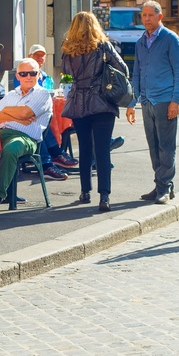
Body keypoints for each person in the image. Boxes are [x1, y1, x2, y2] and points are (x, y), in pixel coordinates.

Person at [61, 11, 128, 212]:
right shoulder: (103, 46)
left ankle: (85, 192)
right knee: (102, 151)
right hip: (102, 102)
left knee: (85, 149)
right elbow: (123, 68)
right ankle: (104, 196)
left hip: (78, 102)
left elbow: (66, 71)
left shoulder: (67, 49)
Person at [126, 0, 179, 204]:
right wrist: (132, 102)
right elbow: (136, 73)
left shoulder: (170, 39)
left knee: (166, 147)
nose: (146, 19)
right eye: (144, 15)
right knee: (153, 147)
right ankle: (161, 185)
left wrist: (176, 101)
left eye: (150, 15)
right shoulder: (141, 42)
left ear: (160, 17)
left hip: (165, 100)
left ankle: (165, 187)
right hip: (147, 101)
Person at [0, 58, 53, 213]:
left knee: (11, 148)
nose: (28, 76)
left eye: (32, 73)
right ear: (17, 76)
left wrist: (7, 111)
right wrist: (16, 116)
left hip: (26, 137)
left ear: (39, 75)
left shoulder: (43, 94)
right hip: (1, 133)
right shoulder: (10, 95)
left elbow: (25, 112)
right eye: (24, 73)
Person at [15, 44, 79, 181]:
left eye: (42, 55)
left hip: (37, 112)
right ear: (29, 56)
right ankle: (48, 161)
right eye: (36, 55)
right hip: (22, 115)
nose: (39, 58)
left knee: (44, 120)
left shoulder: (45, 76)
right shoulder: (22, 73)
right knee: (38, 123)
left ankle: (55, 155)